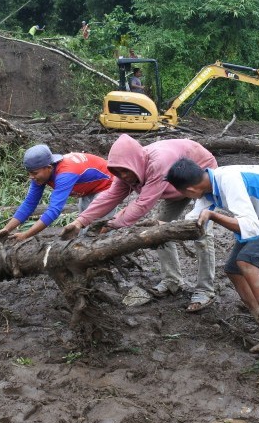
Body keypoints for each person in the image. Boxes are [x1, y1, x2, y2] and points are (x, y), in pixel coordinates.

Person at [61, 134, 218, 312]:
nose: (123, 175)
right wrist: (79, 222)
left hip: (200, 178)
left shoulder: (157, 164)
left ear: (135, 161)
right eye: (118, 171)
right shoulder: (125, 171)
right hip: (174, 189)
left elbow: (143, 204)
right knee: (160, 231)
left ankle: (205, 290)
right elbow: (110, 197)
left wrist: (112, 224)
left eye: (125, 171)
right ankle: (172, 280)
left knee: (201, 230)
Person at [165, 158, 259, 353]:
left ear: (189, 191)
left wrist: (214, 216)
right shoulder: (207, 190)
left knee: (246, 261)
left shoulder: (228, 181)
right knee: (232, 268)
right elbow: (192, 221)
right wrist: (162, 228)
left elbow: (249, 226)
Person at [0, 145, 114, 244]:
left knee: (98, 228)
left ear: (49, 168)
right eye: (29, 173)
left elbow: (54, 211)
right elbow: (29, 203)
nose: (31, 177)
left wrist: (26, 235)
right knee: (83, 230)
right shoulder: (39, 175)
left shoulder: (65, 174)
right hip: (89, 189)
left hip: (108, 185)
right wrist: (7, 229)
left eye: (34, 173)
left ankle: (109, 256)